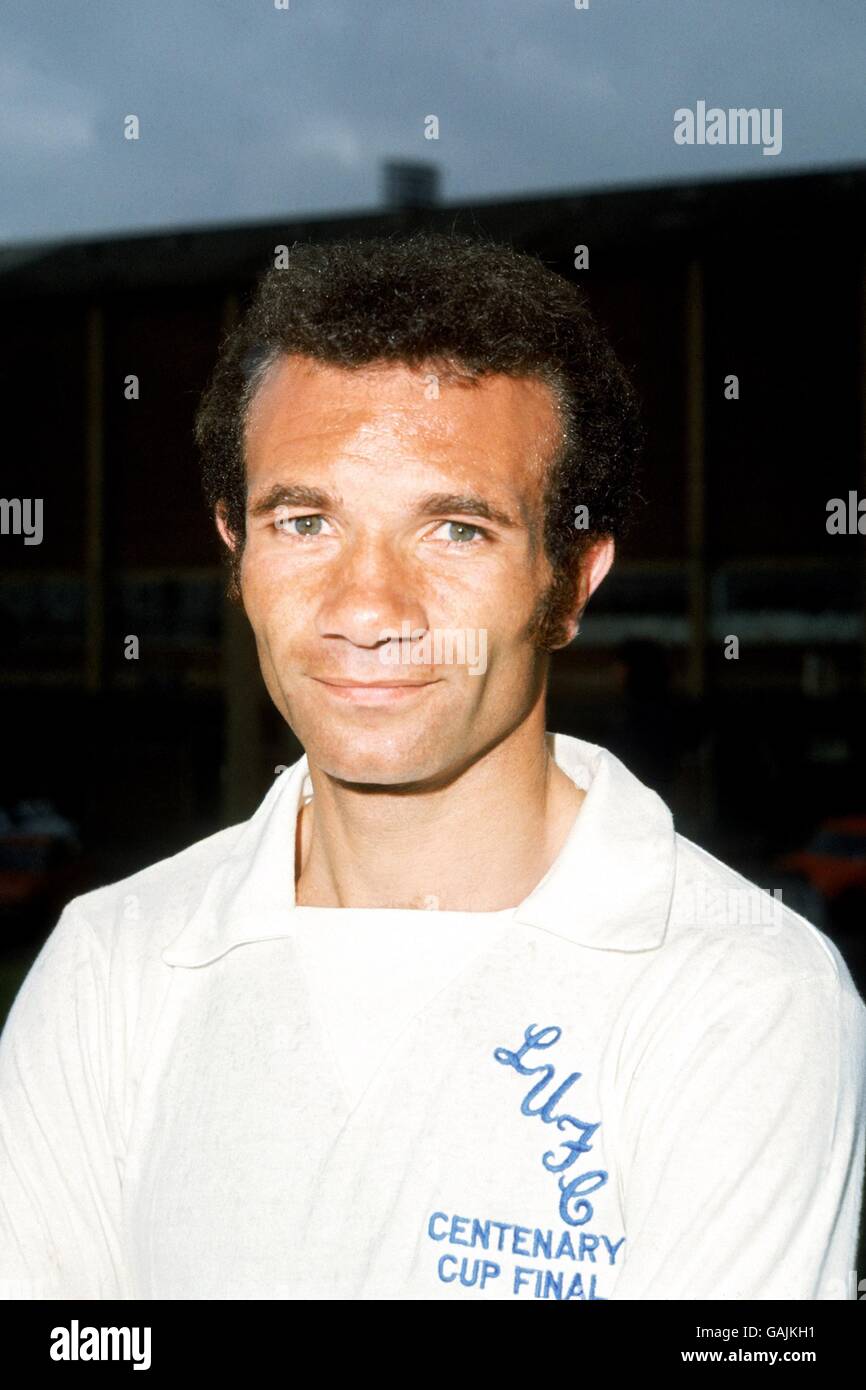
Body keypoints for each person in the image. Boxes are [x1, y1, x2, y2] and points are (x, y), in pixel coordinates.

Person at [1, 232, 864, 1302]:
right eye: (306, 521)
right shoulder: (111, 969)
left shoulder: (741, 996)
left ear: (569, 581)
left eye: (455, 529)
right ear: (235, 552)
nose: (367, 609)